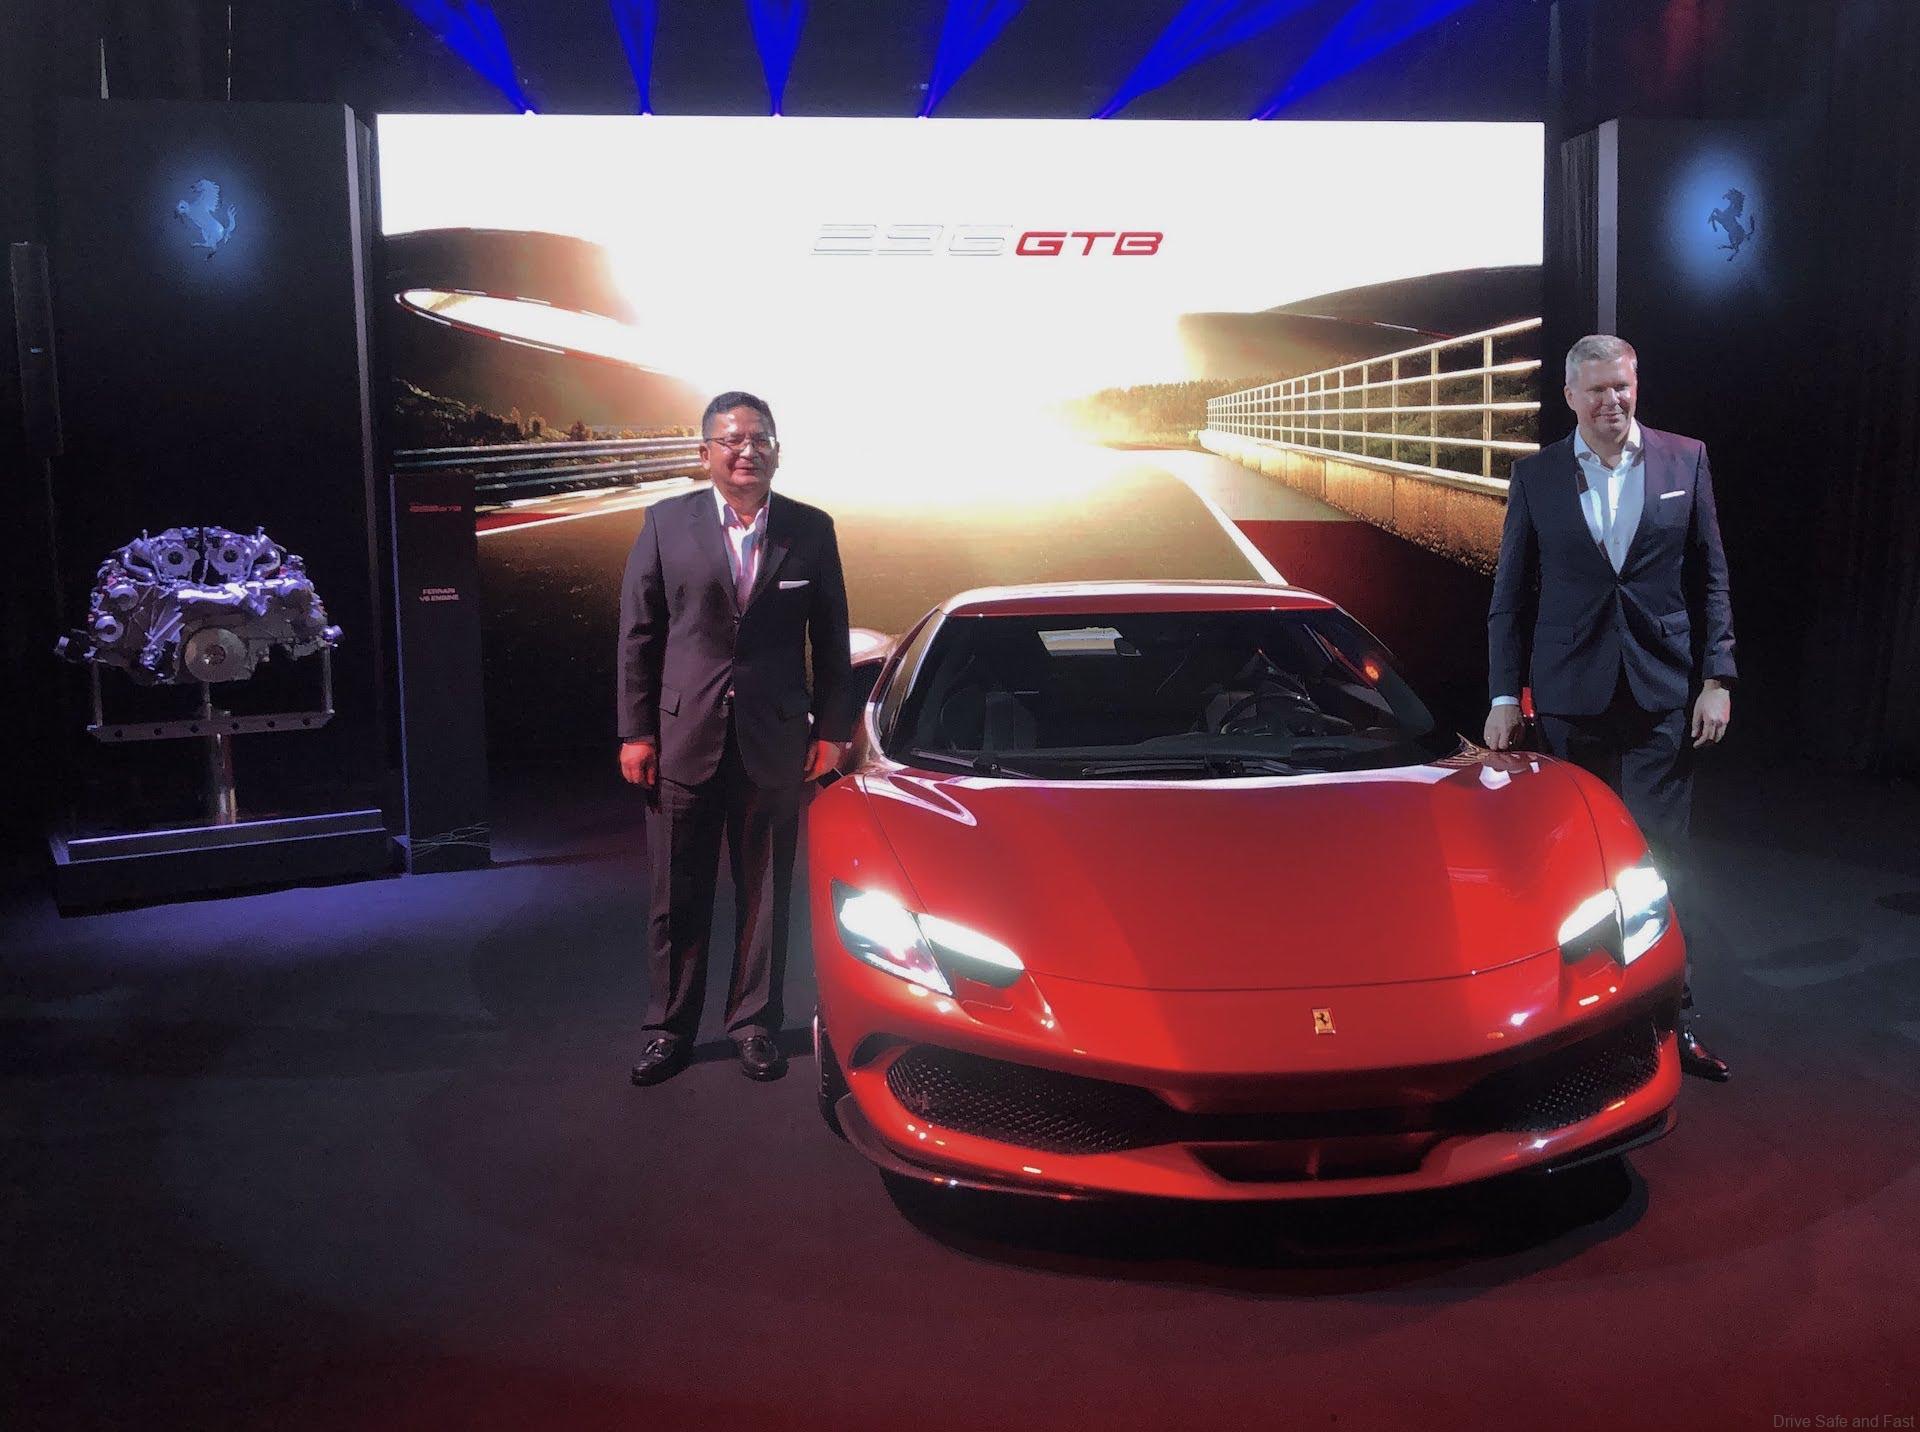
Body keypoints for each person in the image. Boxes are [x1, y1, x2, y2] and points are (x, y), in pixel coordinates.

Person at [1485, 334, 1735, 1081]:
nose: (1611, 400)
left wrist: (1718, 677)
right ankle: (1574, 1032)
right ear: (1570, 397)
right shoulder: (1535, 477)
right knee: (1572, 868)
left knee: (1661, 862)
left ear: (1636, 384)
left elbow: (1712, 579)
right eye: (1595, 389)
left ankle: (1670, 1020)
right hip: (1570, 698)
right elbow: (1509, 598)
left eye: (1621, 385)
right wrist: (1504, 695)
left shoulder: (1685, 460)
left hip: (1662, 695)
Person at [617, 392, 853, 1086]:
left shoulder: (811, 529)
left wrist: (832, 731)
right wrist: (635, 731)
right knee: (676, 894)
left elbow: (830, 640)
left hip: (774, 740)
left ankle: (754, 1023)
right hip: (682, 737)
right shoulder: (665, 524)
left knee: (768, 894)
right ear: (705, 453)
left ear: (777, 450)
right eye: (732, 439)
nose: (747, 450)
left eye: (761, 439)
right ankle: (668, 1028)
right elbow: (638, 635)